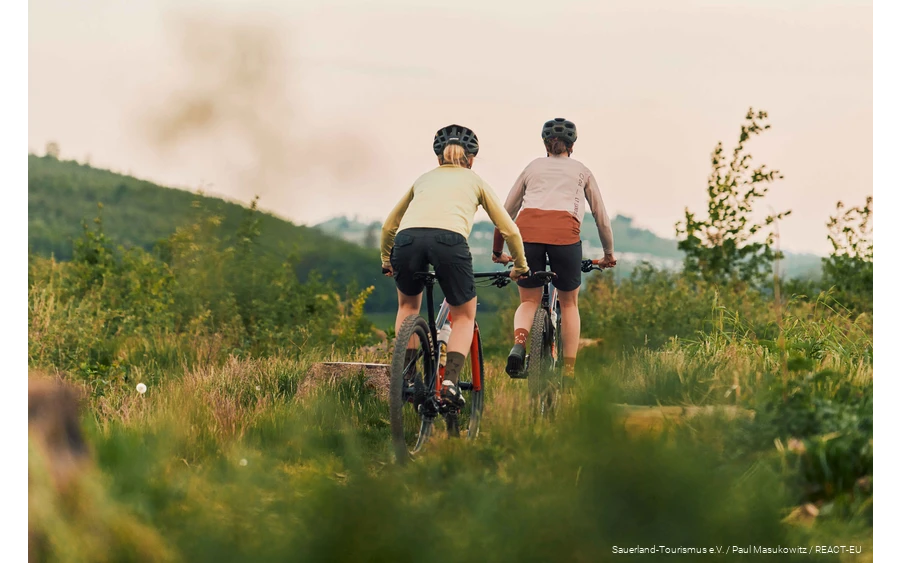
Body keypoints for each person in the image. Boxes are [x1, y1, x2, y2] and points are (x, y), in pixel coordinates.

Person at [381, 124, 530, 409]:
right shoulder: (475, 181)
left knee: (408, 307)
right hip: (449, 242)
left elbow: (390, 226)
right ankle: (449, 383)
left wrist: (386, 261)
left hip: (407, 240)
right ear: (471, 159)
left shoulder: (423, 179)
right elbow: (508, 229)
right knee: (463, 315)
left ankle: (407, 376)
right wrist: (520, 266)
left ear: (438, 158)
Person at [491, 117, 617, 386]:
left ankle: (519, 345)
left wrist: (498, 250)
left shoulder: (532, 167)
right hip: (565, 238)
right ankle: (569, 372)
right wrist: (608, 254)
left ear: (545, 144)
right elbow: (601, 217)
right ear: (572, 146)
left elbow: (505, 212)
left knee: (528, 301)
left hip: (527, 236)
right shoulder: (582, 171)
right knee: (570, 303)